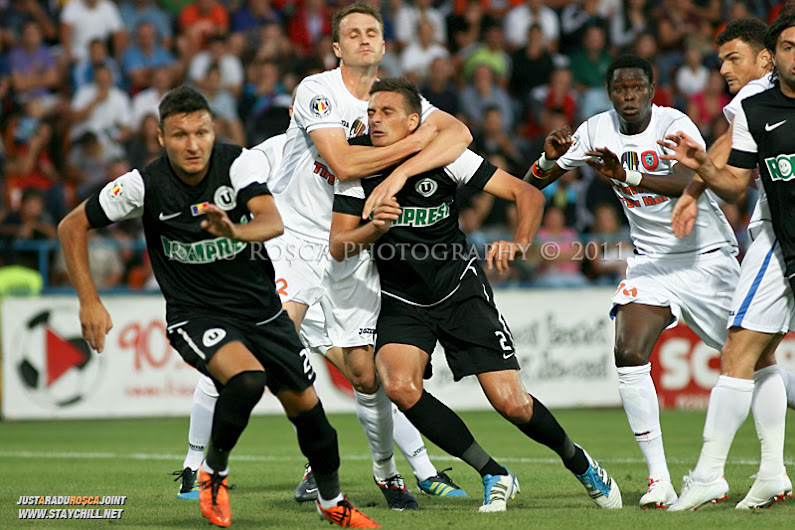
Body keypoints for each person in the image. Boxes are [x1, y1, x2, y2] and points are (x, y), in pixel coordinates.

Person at [57, 85, 380, 529]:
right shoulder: (143, 184)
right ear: (160, 138)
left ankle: (332, 502)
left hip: (263, 311)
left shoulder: (238, 163)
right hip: (197, 313)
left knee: (315, 421)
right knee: (247, 379)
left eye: (201, 132)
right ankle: (213, 472)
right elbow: (71, 226)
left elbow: (271, 221)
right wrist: (89, 302)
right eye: (179, 135)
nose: (192, 145)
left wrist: (233, 231)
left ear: (213, 131)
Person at [331, 77, 622, 512]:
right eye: (371, 112)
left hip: (459, 288)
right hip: (402, 296)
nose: (375, 119)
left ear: (415, 122)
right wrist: (375, 227)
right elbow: (339, 245)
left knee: (512, 403)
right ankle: (493, 473)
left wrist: (519, 244)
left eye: (387, 112)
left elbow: (525, 195)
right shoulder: (357, 169)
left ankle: (578, 461)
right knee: (398, 385)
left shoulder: (448, 158)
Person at [271, 1, 473, 508]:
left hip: (355, 251)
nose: (364, 40)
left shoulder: (399, 100)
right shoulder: (317, 90)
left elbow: (461, 134)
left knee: (366, 374)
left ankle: (388, 475)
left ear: (384, 45)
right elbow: (340, 162)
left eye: (372, 33)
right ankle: (205, 468)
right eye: (353, 34)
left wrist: (405, 167)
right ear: (337, 48)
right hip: (296, 244)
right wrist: (415, 143)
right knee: (264, 350)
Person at [523, 55, 741, 509]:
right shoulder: (595, 130)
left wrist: (629, 174)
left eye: (637, 88)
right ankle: (658, 481)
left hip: (706, 257)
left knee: (754, 366)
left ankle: (771, 471)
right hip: (652, 264)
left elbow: (692, 178)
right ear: (608, 92)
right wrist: (546, 160)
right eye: (620, 88)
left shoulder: (672, 123)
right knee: (628, 352)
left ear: (651, 89)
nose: (628, 96)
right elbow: (532, 184)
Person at [660, 14, 795, 511]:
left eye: (732, 57)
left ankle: (713, 475)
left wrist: (695, 186)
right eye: (720, 61)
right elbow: (731, 152)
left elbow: (724, 148)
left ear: (763, 59)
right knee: (755, 355)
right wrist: (699, 180)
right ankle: (769, 472)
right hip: (776, 232)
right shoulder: (760, 101)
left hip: (777, 236)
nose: (724, 69)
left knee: (743, 352)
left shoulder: (759, 94)